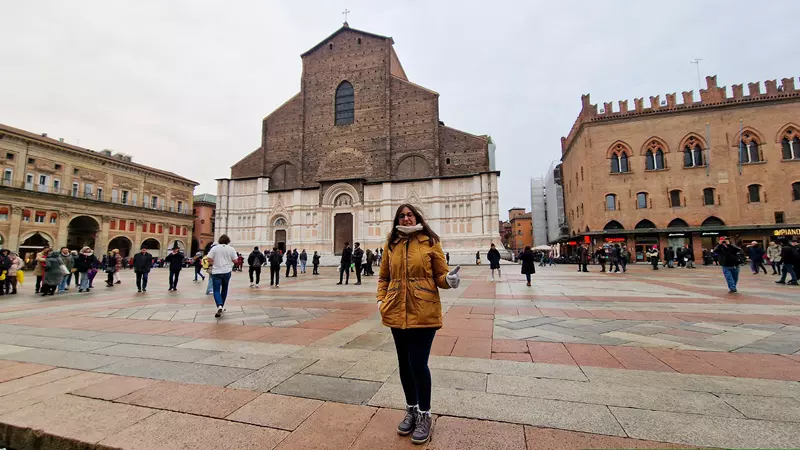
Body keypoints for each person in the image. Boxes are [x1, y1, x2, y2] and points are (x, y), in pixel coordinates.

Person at [377, 203, 461, 445]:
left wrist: (449, 280)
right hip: (396, 311)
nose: (405, 219)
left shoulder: (430, 241)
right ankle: (411, 409)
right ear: (397, 219)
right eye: (401, 216)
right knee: (404, 364)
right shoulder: (391, 244)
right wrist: (381, 300)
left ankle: (425, 414)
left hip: (423, 310)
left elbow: (439, 275)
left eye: (409, 215)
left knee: (418, 364)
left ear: (416, 216)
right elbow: (384, 276)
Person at [207, 234, 238, 318]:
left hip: (216, 272)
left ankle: (219, 305)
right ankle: (221, 306)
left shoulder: (214, 248)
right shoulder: (231, 249)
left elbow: (209, 259)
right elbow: (235, 260)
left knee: (216, 290)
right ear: (228, 241)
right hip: (227, 271)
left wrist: (215, 262)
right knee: (224, 289)